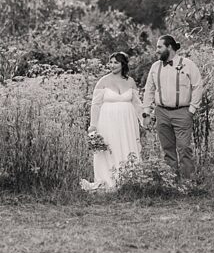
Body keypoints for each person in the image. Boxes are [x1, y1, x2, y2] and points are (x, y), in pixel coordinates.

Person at [142, 35, 203, 180]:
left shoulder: (188, 64)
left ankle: (188, 182)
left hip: (182, 112)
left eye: (159, 47)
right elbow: (149, 89)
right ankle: (172, 182)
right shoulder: (155, 67)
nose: (157, 50)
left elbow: (197, 86)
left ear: (169, 47)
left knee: (184, 148)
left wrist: (192, 109)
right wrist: (146, 112)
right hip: (161, 112)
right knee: (167, 149)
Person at [80, 52, 144, 191]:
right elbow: (96, 104)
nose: (112, 65)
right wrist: (93, 125)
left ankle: (129, 178)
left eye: (116, 62)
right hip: (108, 121)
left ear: (123, 64)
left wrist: (144, 120)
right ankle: (109, 180)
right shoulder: (103, 81)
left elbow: (137, 104)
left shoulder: (130, 81)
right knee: (111, 147)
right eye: (111, 62)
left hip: (127, 121)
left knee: (127, 145)